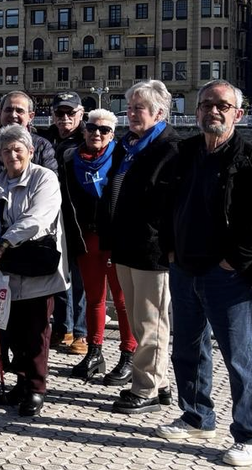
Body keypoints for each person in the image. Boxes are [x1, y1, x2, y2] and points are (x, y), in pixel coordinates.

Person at [155, 80, 252, 468]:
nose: (213, 110)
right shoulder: (184, 153)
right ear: (195, 112)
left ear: (237, 114)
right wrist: (170, 249)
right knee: (187, 351)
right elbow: (162, 201)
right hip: (184, 268)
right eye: (206, 104)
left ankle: (250, 435)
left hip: (226, 275)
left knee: (240, 357)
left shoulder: (251, 160)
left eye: (222, 106)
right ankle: (197, 417)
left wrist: (234, 262)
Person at [0, 124, 70, 417]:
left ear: (30, 151)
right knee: (10, 330)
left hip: (35, 268)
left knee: (37, 332)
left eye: (18, 149)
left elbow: (38, 217)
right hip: (4, 270)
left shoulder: (44, 178)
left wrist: (4, 241)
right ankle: (21, 381)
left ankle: (37, 388)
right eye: (6, 150)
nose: (12, 155)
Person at [101, 79, 180, 415]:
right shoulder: (129, 146)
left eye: (139, 108)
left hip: (152, 250)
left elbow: (172, 203)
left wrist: (166, 243)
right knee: (136, 320)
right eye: (130, 107)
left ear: (159, 112)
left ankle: (146, 388)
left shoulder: (169, 148)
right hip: (125, 245)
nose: (131, 113)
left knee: (151, 322)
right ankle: (158, 383)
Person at [57, 109, 136, 383]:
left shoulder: (122, 158)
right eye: (92, 128)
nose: (97, 134)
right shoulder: (70, 158)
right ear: (84, 129)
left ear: (113, 134)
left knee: (123, 300)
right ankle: (95, 350)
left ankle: (129, 354)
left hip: (115, 238)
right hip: (86, 237)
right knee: (93, 298)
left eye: (104, 130)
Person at [39, 91, 88, 354]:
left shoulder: (88, 139)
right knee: (58, 274)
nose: (65, 118)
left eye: (71, 113)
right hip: (50, 217)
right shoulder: (44, 139)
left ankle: (80, 332)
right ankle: (62, 327)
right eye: (60, 113)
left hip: (77, 219)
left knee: (78, 278)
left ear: (81, 114)